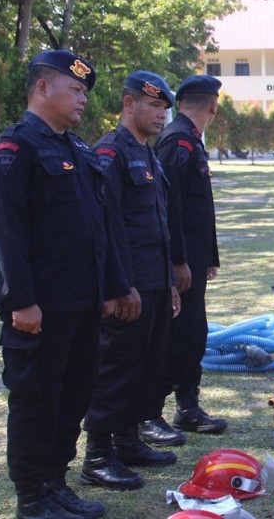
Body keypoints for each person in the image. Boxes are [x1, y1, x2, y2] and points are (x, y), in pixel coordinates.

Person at [0, 50, 130, 519]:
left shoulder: (80, 150)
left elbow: (99, 228)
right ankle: (31, 498)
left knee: (73, 396)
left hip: (82, 304)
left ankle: (56, 484)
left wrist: (110, 289)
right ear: (43, 88)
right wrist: (22, 301)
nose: (83, 99)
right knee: (36, 401)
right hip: (39, 308)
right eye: (75, 89)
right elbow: (9, 232)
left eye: (85, 91)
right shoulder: (13, 149)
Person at [80, 71, 182, 491]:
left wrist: (170, 280)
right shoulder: (111, 152)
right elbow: (107, 227)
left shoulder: (149, 154)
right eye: (153, 105)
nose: (161, 115)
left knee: (146, 365)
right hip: (129, 287)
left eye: (164, 108)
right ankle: (98, 456)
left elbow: (154, 225)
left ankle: (127, 441)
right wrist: (120, 286)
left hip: (155, 282)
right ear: (128, 104)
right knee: (117, 368)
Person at [143, 74, 226, 445]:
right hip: (179, 263)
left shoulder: (190, 140)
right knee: (176, 335)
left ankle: (187, 407)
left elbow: (197, 209)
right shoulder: (177, 141)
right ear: (212, 106)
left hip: (192, 258)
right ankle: (152, 413)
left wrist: (206, 256)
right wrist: (178, 261)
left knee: (193, 334)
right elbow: (169, 207)